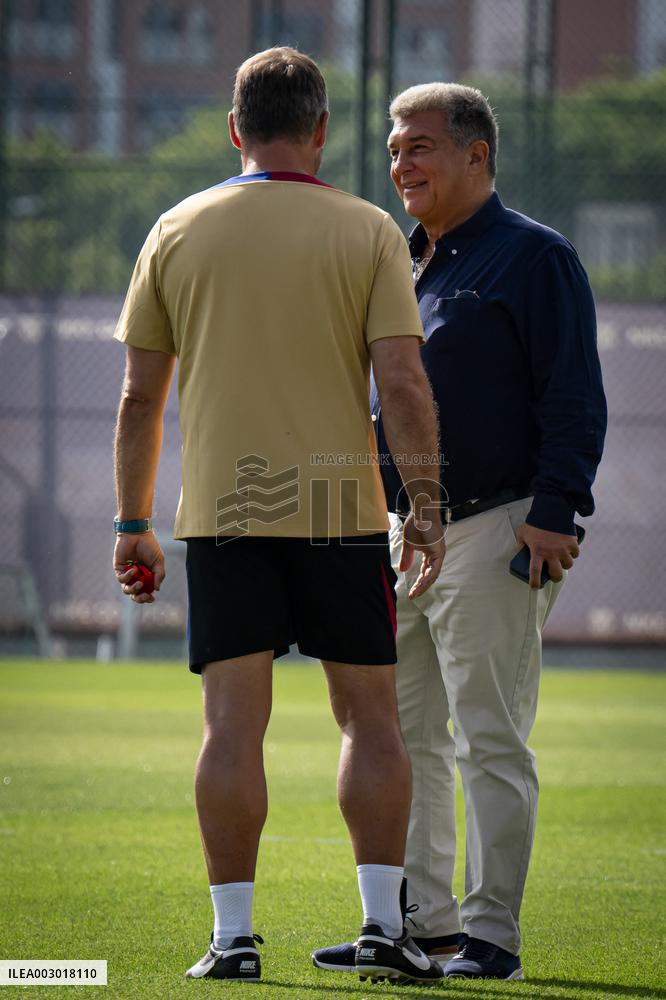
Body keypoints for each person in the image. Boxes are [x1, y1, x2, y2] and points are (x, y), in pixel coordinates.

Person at [112, 49, 446, 985]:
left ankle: (234, 940)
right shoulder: (369, 228)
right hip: (344, 506)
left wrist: (130, 523)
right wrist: (424, 508)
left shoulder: (177, 227)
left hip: (223, 508)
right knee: (371, 722)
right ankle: (383, 929)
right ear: (323, 130)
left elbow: (141, 399)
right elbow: (404, 382)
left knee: (230, 727)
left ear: (233, 128)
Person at [313, 83, 607, 981]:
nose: (402, 163)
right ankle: (425, 928)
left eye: (422, 147)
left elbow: (572, 394)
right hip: (407, 533)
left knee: (487, 737)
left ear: (478, 154)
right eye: (396, 149)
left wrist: (557, 512)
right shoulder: (401, 261)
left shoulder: (534, 257)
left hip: (501, 524)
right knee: (405, 741)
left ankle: (493, 939)